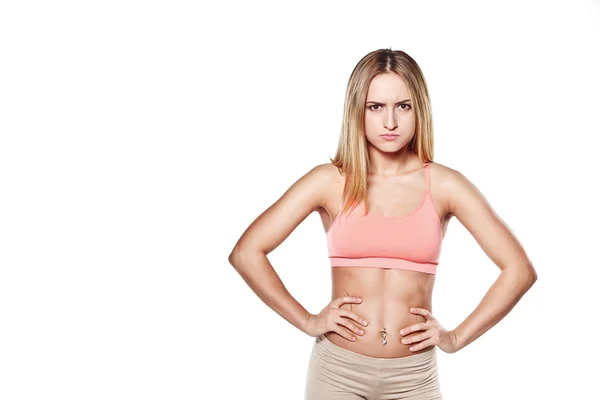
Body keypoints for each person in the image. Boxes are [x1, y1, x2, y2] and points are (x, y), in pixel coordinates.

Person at [228, 48, 537, 400]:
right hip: (337, 372)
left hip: (414, 377)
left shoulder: (446, 185)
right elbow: (247, 252)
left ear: (419, 110)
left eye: (403, 106)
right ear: (357, 110)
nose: (390, 121)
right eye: (375, 107)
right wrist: (308, 321)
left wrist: (456, 338)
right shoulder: (329, 181)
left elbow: (519, 270)